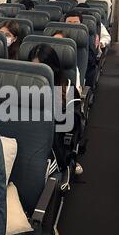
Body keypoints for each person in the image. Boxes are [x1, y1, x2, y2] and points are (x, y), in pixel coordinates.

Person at [28, 44, 84, 175]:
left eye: (42, 71)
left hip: (53, 144)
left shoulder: (67, 88)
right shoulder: (23, 85)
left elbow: (70, 127)